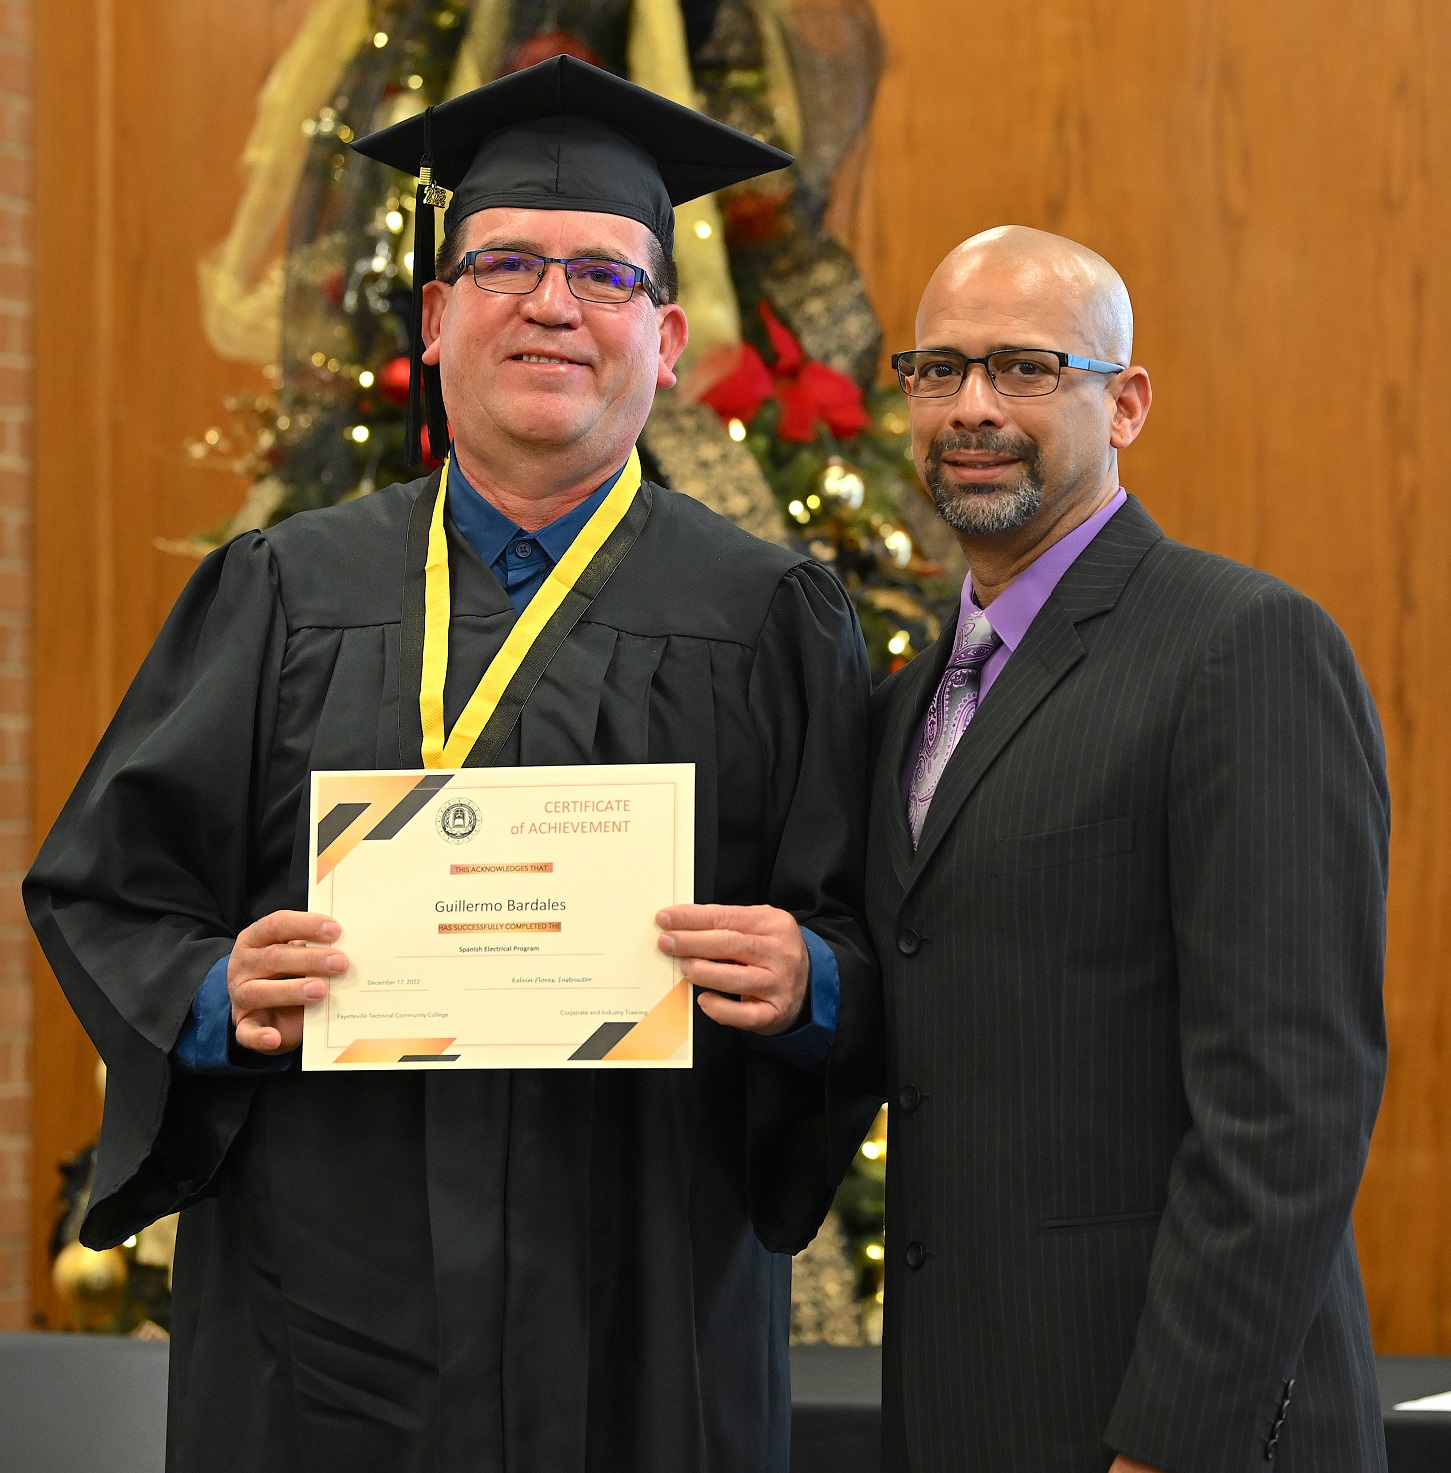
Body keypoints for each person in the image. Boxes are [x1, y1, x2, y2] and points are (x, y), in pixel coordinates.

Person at [26, 57, 881, 1473]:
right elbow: (105, 889)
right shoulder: (285, 593)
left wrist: (811, 979)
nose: (553, 305)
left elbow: (885, 929)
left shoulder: (766, 617)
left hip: (643, 1303)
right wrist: (207, 988)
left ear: (665, 341)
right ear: (435, 319)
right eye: (505, 264)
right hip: (327, 1316)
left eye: (604, 277)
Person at [868, 225, 1389, 1472]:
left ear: (1127, 404)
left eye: (1027, 368)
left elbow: (1287, 1099)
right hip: (969, 1405)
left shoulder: (1241, 646)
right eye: (936, 370)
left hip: (1165, 1424)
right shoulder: (908, 700)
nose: (971, 407)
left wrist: (1173, 1442)